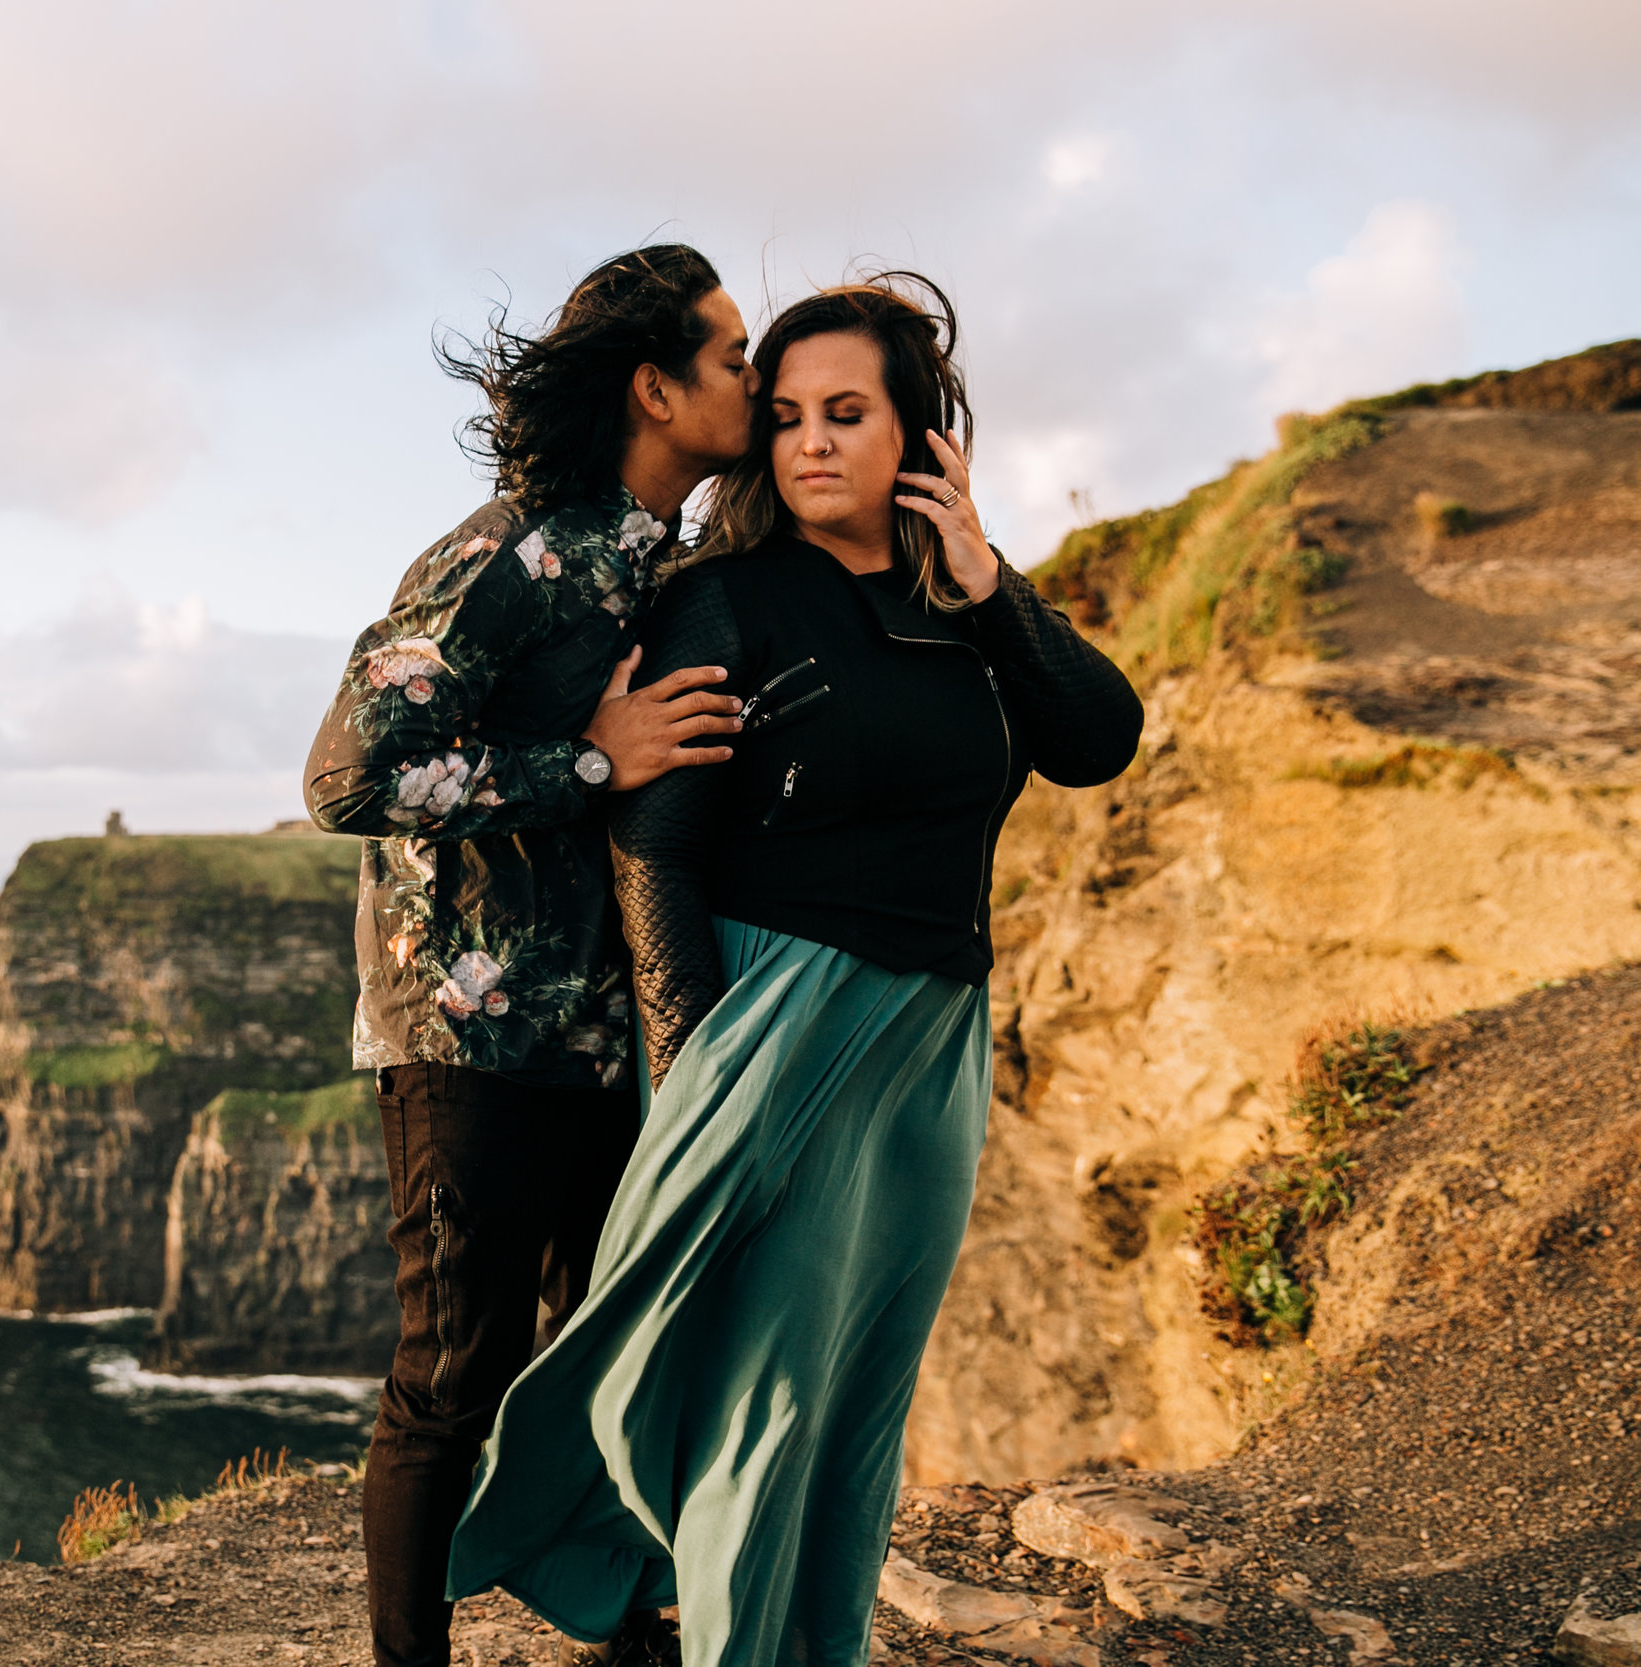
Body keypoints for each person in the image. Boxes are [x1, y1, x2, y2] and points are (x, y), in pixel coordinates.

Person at [443, 274, 1145, 1667]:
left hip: (933, 1040)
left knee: (857, 1398)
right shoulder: (730, 602)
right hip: (769, 1017)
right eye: (786, 417)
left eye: (846, 413)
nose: (812, 440)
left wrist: (992, 586)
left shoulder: (975, 616)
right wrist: (700, 1064)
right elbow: (660, 848)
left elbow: (1098, 738)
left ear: (919, 440)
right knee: (764, 1399)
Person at [303, 244, 759, 1667]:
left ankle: (625, 1635)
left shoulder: (670, 567)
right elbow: (346, 779)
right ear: (656, 385)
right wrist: (583, 758)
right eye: (734, 356)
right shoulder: (506, 550)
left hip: (613, 1033)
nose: (758, 377)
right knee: (453, 1376)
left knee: (613, 1345)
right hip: (469, 1036)